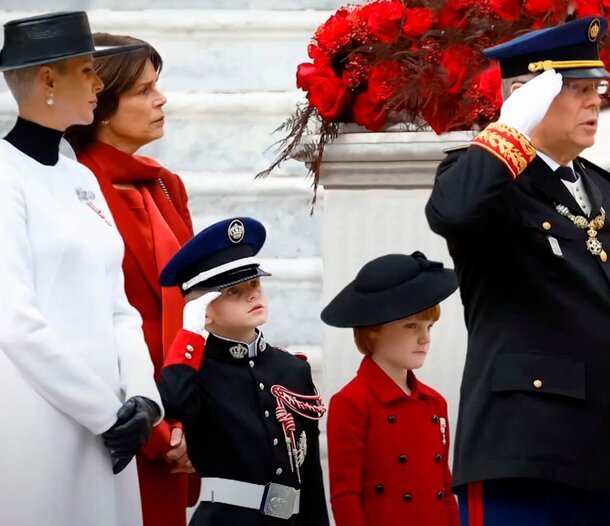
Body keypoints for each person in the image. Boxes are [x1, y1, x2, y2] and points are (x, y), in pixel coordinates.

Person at [425, 17, 610, 526]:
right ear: (525, 98)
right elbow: (450, 212)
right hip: (522, 453)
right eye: (576, 90)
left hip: (604, 458)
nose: (594, 103)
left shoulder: (602, 189)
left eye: (596, 89)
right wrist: (509, 130)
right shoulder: (488, 178)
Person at [0, 12, 163, 526]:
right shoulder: (5, 175)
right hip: (44, 416)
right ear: (48, 80)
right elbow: (14, 321)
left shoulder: (81, 178)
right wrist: (104, 413)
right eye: (88, 71)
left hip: (115, 425)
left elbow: (119, 306)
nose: (98, 84)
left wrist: (143, 398)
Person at [66, 33, 196, 526]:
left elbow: (195, 300)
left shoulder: (165, 182)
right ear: (101, 106)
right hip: (118, 417)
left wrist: (190, 418)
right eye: (144, 90)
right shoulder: (73, 187)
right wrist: (155, 426)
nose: (161, 99)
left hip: (179, 405)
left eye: (157, 86)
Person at [157, 217, 330, 526]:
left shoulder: (293, 370)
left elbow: (311, 478)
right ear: (205, 311)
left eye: (255, 284)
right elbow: (172, 403)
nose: (252, 295)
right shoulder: (196, 372)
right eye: (233, 291)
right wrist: (190, 333)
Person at [322, 251, 461, 526]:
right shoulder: (351, 402)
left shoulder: (435, 403)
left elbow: (444, 492)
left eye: (429, 327)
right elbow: (345, 496)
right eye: (411, 326)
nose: (425, 338)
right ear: (373, 329)